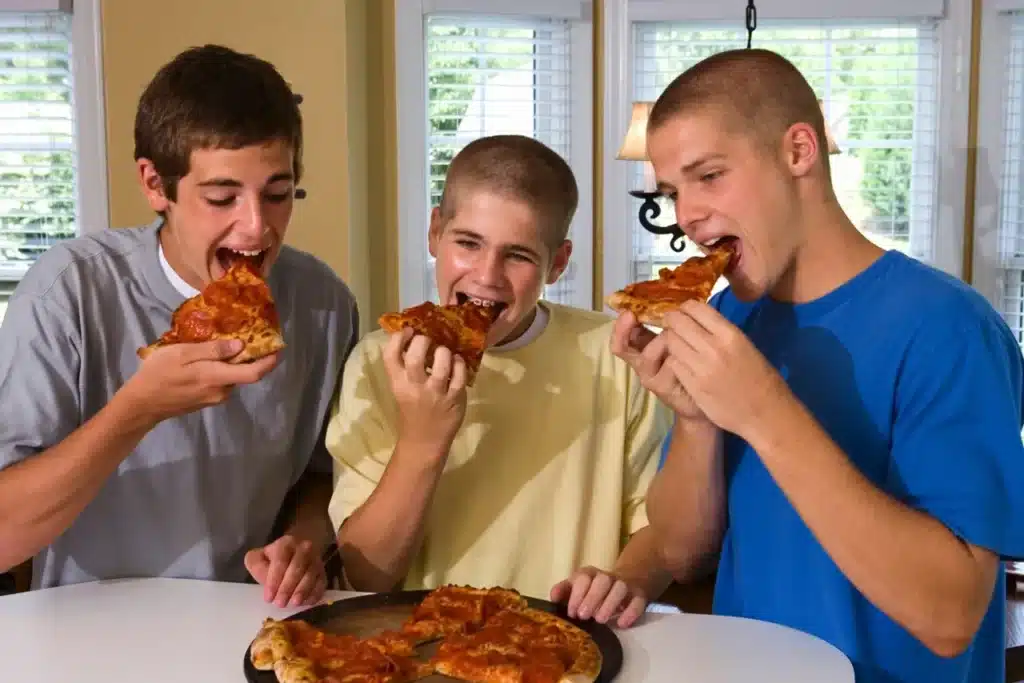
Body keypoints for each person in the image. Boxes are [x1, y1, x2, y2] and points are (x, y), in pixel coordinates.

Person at [612, 48, 1024, 683]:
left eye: (710, 176)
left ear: (798, 152)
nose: (686, 216)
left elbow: (950, 616)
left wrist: (765, 411)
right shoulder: (729, 320)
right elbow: (682, 554)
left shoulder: (951, 329)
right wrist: (694, 420)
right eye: (673, 191)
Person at [0, 44, 359, 607]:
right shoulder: (67, 292)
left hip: (247, 621)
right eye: (222, 197)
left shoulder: (325, 304)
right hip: (86, 623)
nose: (256, 227)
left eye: (278, 194)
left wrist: (303, 542)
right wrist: (138, 408)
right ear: (154, 184)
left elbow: (320, 478)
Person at [327, 135, 672, 627]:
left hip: (569, 637)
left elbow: (659, 529)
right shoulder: (376, 363)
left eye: (518, 255)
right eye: (467, 243)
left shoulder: (617, 357)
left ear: (557, 262)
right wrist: (425, 440)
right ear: (434, 233)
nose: (486, 275)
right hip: (419, 643)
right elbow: (366, 575)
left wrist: (628, 578)